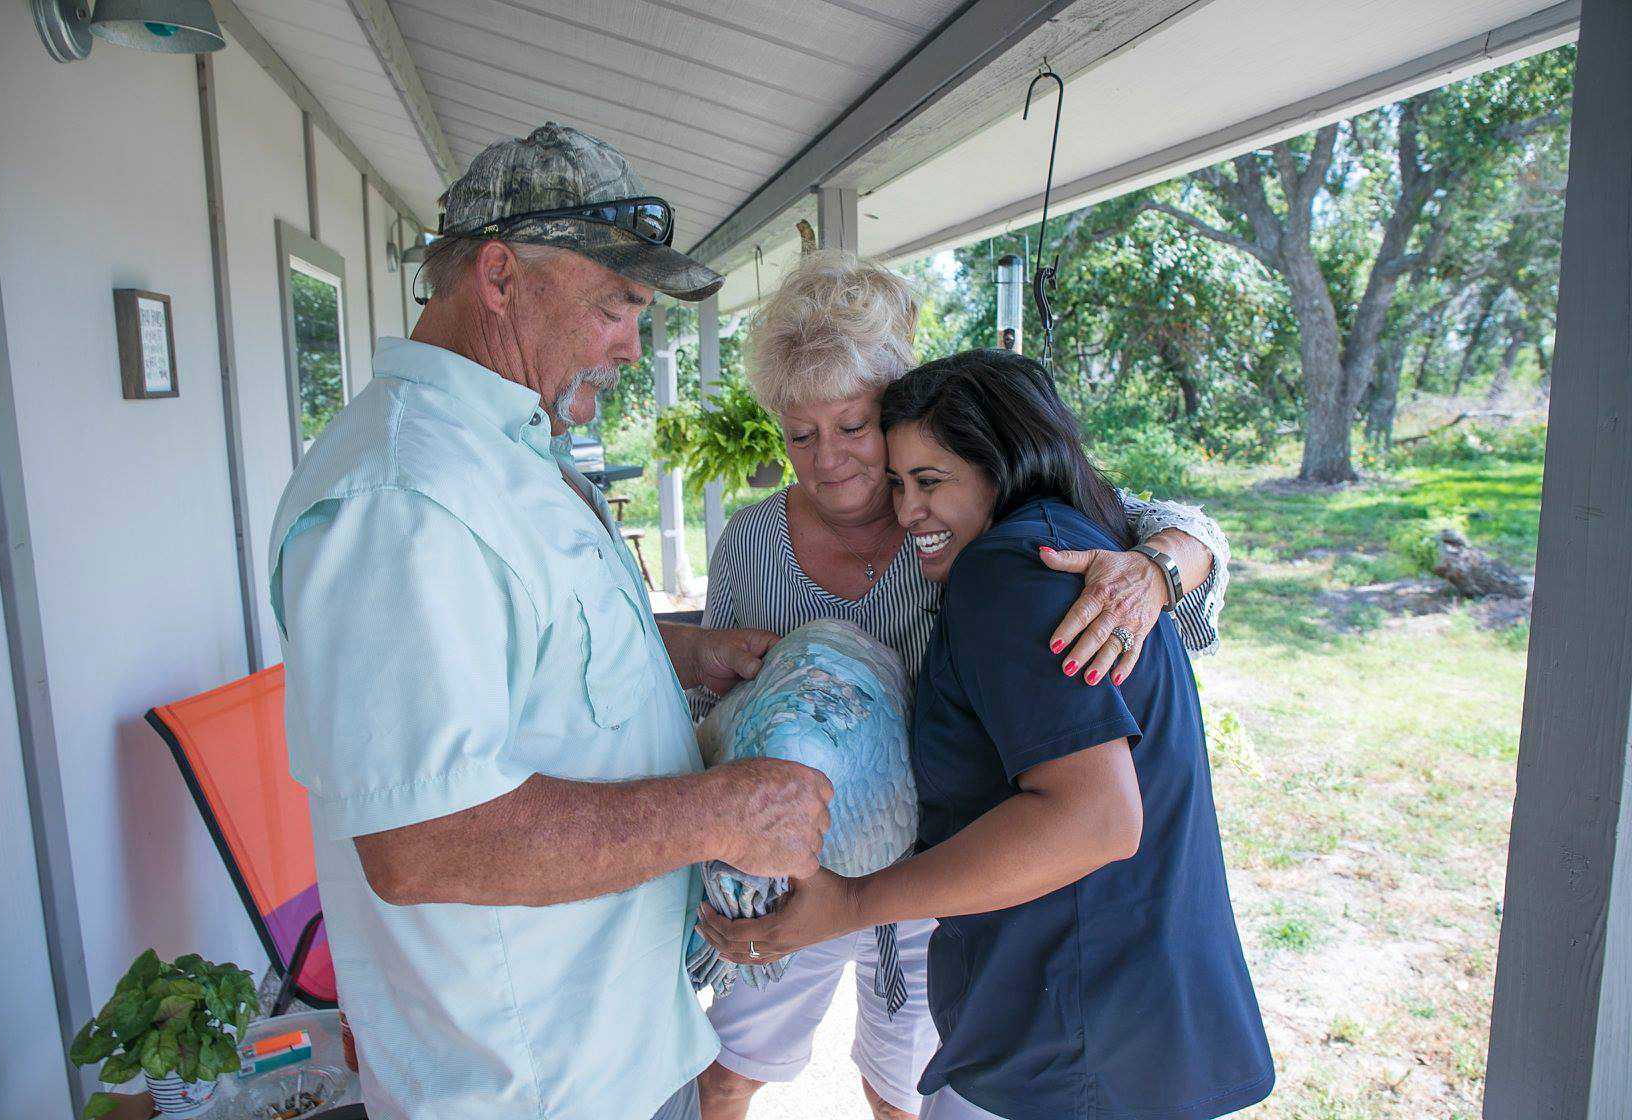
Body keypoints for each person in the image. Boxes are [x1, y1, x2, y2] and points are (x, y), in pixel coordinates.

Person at [267, 123, 834, 1120]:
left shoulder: (498, 447)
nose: (630, 344)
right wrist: (722, 812)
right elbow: (425, 840)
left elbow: (516, 655)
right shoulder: (403, 498)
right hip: (531, 1087)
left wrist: (686, 651)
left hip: (613, 1045)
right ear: (498, 277)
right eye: (617, 306)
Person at [693, 253, 1234, 1120]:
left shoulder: (982, 515)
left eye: (854, 425)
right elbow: (718, 713)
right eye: (801, 434)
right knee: (729, 1066)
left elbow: (1179, 524)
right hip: (801, 863)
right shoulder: (753, 545)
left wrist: (1152, 570)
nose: (828, 460)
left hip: (949, 870)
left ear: (899, 409)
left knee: (904, 1083)